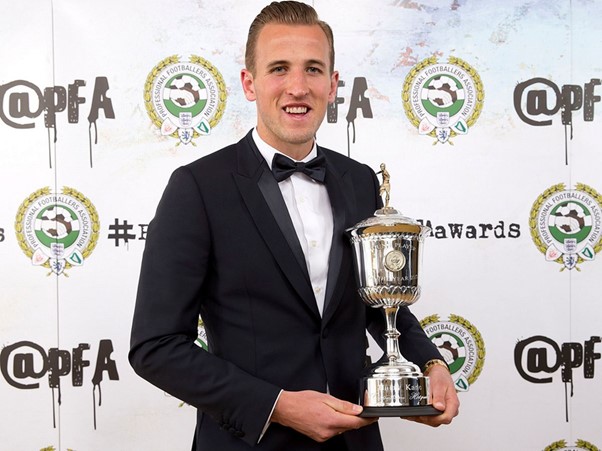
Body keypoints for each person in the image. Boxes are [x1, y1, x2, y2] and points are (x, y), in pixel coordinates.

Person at [129, 2, 459, 450]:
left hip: (355, 442)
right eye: (279, 69)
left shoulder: (360, 180)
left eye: (313, 69)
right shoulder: (197, 187)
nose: (298, 87)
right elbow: (156, 346)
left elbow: (378, 302)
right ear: (250, 83)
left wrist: (429, 364)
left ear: (333, 84)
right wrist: (277, 405)